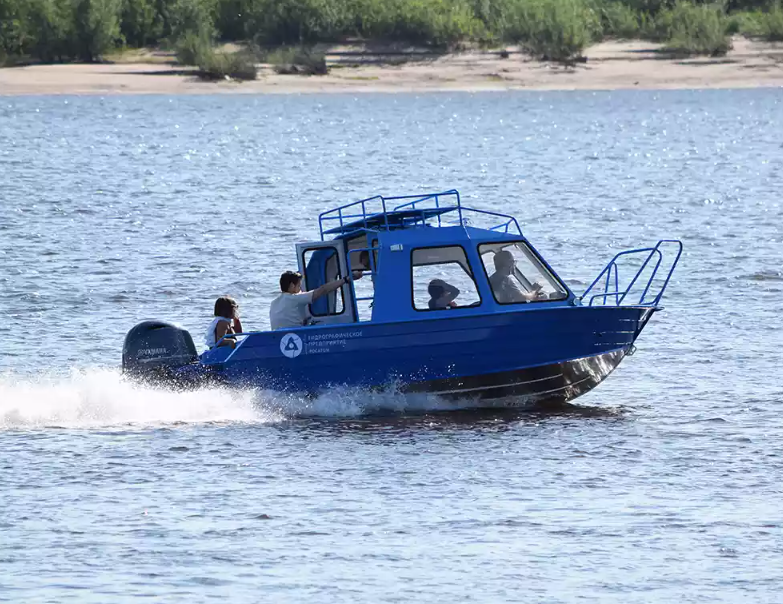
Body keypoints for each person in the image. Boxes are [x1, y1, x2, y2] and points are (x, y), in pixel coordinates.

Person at [270, 270, 362, 330]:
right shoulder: (295, 298)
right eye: (299, 286)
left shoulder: (274, 303)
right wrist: (346, 279)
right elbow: (323, 290)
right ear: (291, 286)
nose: (300, 289)